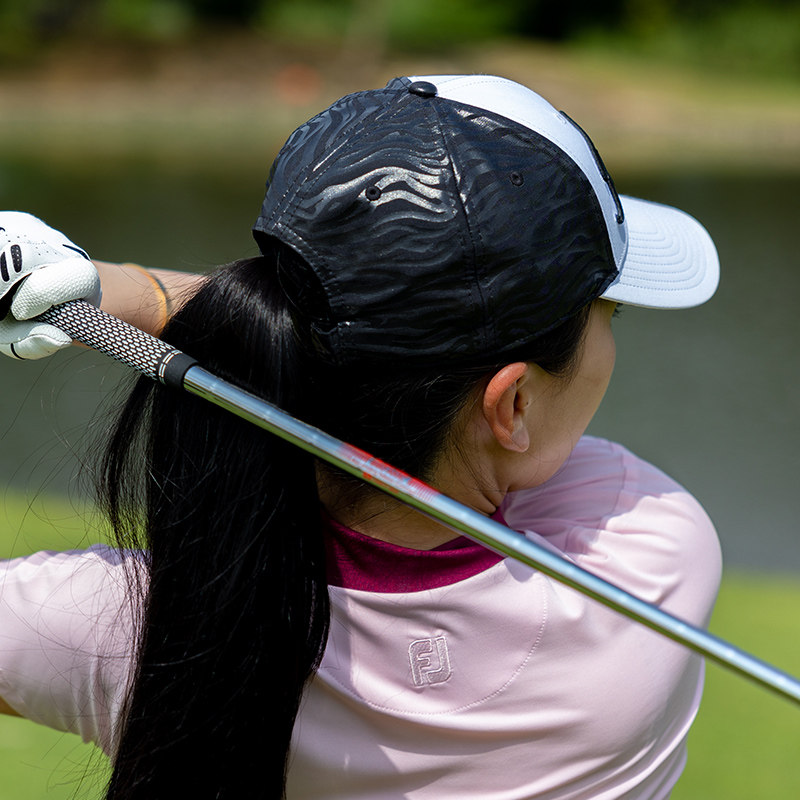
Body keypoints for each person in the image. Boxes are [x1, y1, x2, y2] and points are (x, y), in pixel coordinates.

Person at [0, 74, 722, 799]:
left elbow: (304, 356)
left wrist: (99, 289)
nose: (610, 343)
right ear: (514, 404)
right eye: (607, 314)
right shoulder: (652, 558)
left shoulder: (130, 627)